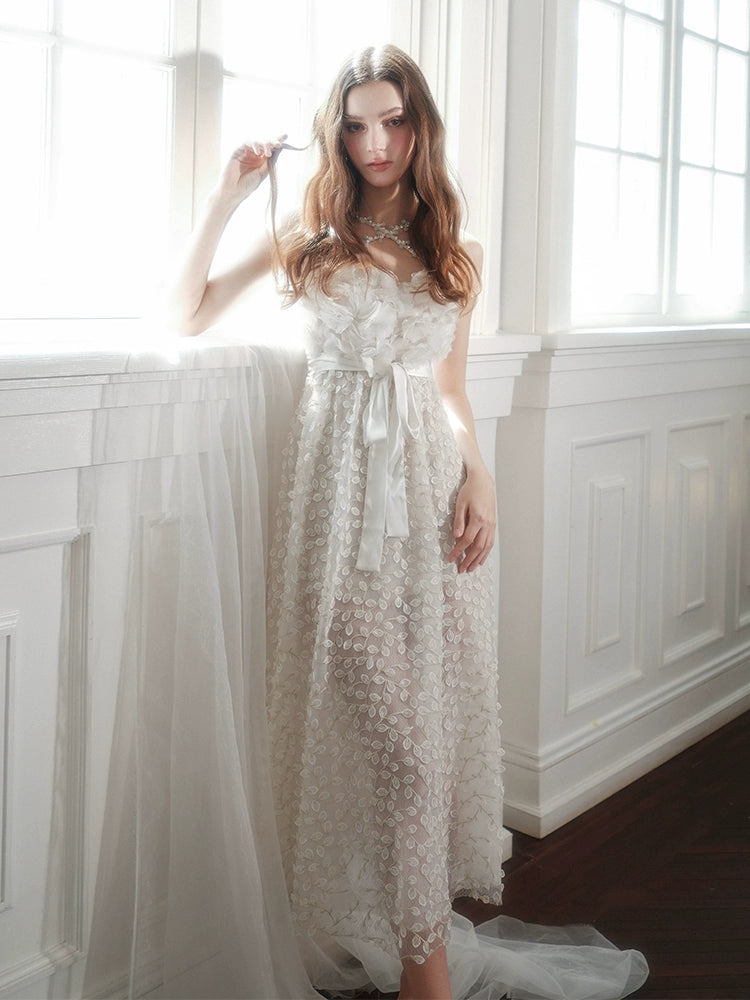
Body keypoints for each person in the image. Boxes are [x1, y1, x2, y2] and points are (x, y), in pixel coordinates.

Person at [168, 44, 647, 1000]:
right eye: (356, 126)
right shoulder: (312, 237)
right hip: (338, 510)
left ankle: (420, 967)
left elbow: (452, 390)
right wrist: (224, 200)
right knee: (407, 752)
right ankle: (427, 981)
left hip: (429, 504)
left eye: (392, 121)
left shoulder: (454, 252)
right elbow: (187, 315)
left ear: (419, 125)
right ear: (337, 136)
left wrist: (482, 475)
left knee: (429, 741)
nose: (376, 143)